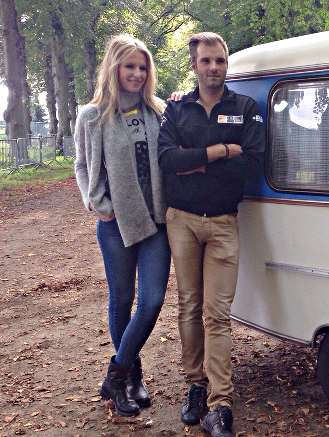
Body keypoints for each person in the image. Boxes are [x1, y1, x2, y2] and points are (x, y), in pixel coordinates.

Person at [157, 32, 264, 437]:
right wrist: (220, 152)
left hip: (222, 222)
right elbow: (167, 160)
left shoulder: (245, 107)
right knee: (188, 306)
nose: (214, 67)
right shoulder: (177, 110)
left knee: (217, 315)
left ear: (226, 63)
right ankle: (195, 386)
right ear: (194, 65)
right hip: (181, 220)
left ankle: (221, 405)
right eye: (206, 61)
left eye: (219, 60)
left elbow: (252, 164)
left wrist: (194, 163)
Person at [74, 34, 171, 417]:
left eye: (142, 67)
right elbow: (82, 165)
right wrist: (97, 203)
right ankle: (132, 378)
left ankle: (115, 375)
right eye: (129, 66)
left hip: (158, 220)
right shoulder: (93, 115)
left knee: (151, 301)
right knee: (122, 300)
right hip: (116, 224)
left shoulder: (159, 111)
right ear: (114, 68)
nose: (136, 73)